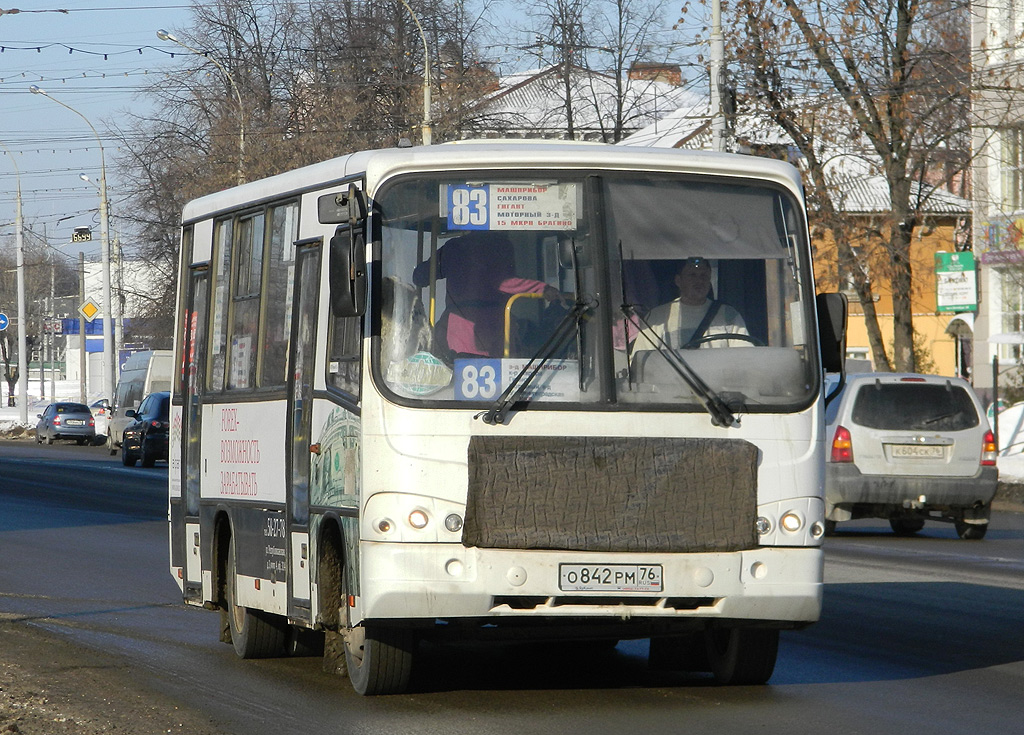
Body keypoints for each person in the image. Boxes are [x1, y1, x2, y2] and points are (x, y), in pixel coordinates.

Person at [412, 231, 564, 359]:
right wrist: (542, 289)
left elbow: (419, 277)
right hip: (493, 329)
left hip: (455, 330)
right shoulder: (500, 245)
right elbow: (503, 282)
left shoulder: (454, 246)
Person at [633, 257, 748, 350]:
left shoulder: (729, 315)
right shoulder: (657, 318)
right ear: (678, 281)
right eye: (692, 275)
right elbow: (642, 361)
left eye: (704, 276)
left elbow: (744, 357)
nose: (699, 281)